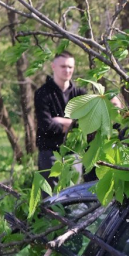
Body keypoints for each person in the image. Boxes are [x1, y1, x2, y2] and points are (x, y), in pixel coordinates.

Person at [34, 52, 84, 183]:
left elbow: (85, 123)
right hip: (49, 152)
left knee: (74, 196)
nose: (67, 70)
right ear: (53, 67)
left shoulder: (80, 94)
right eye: (63, 66)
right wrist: (72, 124)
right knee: (51, 199)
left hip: (73, 153)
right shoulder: (43, 93)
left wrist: (60, 121)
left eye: (70, 67)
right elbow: (46, 125)